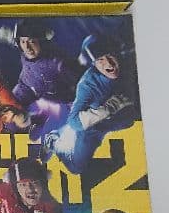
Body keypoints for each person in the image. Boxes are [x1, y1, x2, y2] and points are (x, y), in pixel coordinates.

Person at [41, 33, 136, 173]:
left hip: (122, 118)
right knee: (76, 167)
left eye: (110, 55)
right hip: (94, 126)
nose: (109, 63)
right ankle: (54, 141)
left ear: (117, 53)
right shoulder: (88, 85)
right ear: (94, 63)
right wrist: (110, 107)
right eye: (100, 59)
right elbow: (74, 122)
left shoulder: (130, 61)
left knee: (130, 121)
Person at [0, 20, 81, 140]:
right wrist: (6, 35)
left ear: (41, 42)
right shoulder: (23, 46)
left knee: (37, 132)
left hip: (55, 99)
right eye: (23, 42)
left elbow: (79, 86)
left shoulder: (58, 62)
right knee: (8, 117)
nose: (27, 48)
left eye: (32, 42)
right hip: (26, 86)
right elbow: (16, 39)